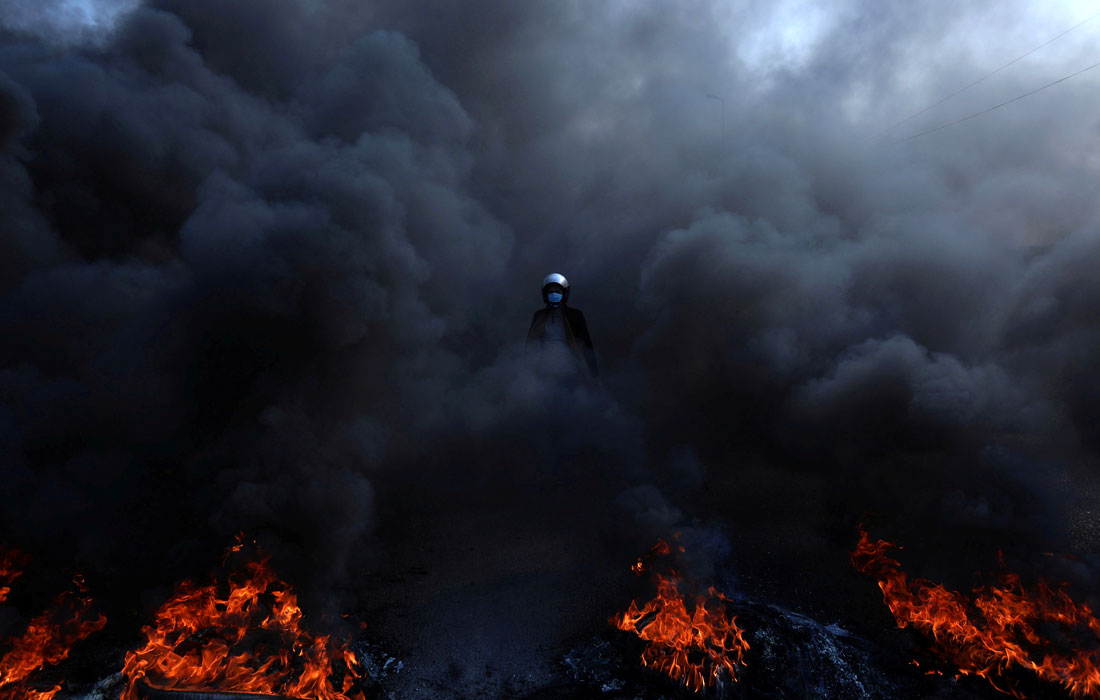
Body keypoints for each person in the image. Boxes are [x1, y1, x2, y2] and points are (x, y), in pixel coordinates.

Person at [525, 272, 598, 379]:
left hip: (570, 368)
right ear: (545, 295)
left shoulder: (575, 315)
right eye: (551, 292)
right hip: (544, 368)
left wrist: (594, 374)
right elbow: (531, 344)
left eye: (557, 291)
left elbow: (586, 344)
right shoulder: (539, 316)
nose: (554, 294)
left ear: (564, 293)